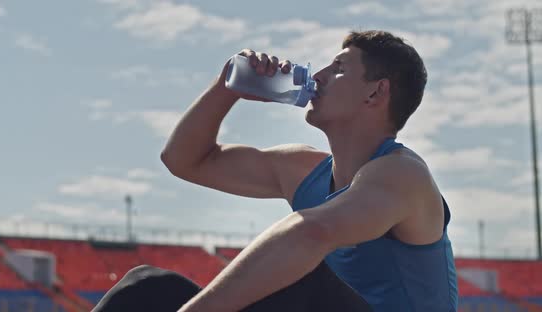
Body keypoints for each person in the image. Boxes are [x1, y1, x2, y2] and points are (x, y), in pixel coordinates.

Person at [93, 30, 458, 312]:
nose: (320, 75)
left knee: (302, 273)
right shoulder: (302, 169)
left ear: (375, 94)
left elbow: (311, 232)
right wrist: (226, 89)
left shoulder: (402, 174)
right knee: (147, 287)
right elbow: (184, 160)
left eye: (340, 67)